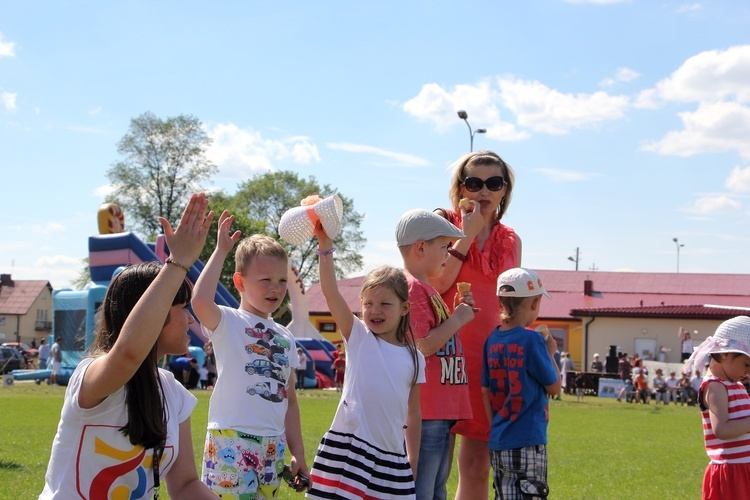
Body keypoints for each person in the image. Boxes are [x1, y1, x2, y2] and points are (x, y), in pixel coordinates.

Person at [40, 192, 216, 499]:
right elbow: (129, 354)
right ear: (155, 311)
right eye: (182, 308)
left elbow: (186, 485)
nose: (191, 320)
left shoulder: (175, 394)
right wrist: (177, 264)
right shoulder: (91, 375)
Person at [191, 211, 309, 498]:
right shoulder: (228, 321)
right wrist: (220, 251)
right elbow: (200, 301)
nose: (276, 288)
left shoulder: (286, 336)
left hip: (272, 445)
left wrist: (298, 455)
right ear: (240, 282)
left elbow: (290, 400)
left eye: (282, 280)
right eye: (265, 279)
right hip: (230, 440)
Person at [306, 221, 425, 498]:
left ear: (404, 307)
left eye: (385, 303)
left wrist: (413, 460)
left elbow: (414, 414)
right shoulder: (358, 337)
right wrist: (325, 248)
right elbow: (331, 293)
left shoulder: (415, 358)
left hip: (392, 459)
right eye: (368, 303)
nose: (375, 310)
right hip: (350, 453)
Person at [432, 150, 521, 499]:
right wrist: (465, 235)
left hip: (490, 362)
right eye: (474, 183)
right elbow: (436, 284)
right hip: (443, 356)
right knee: (429, 466)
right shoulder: (441, 222)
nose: (484, 191)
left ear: (504, 190)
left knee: (476, 468)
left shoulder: (511, 239)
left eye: (493, 183)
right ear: (460, 187)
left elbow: (512, 305)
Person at [396, 208, 475, 500]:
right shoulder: (413, 288)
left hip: (439, 411)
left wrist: (453, 314)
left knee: (437, 489)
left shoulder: (425, 288)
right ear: (420, 248)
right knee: (422, 491)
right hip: (427, 412)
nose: (447, 255)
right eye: (444, 247)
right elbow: (421, 345)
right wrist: (457, 321)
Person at [482, 267, 561, 499]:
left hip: (499, 440)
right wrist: (551, 353)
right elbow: (554, 387)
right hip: (528, 440)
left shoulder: (491, 339)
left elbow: (484, 391)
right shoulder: (532, 339)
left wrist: (496, 428)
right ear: (535, 303)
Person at [683, 316, 750, 498]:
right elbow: (722, 429)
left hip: (744, 467)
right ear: (723, 354)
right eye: (746, 364)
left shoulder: (735, 383)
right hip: (731, 473)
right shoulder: (715, 386)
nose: (748, 371)